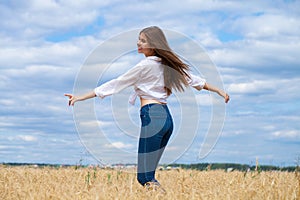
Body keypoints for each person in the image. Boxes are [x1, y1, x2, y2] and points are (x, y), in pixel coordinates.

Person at [65, 26, 229, 191]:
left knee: (144, 177)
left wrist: (81, 97)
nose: (138, 43)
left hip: (152, 117)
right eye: (139, 39)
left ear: (154, 44)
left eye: (143, 40)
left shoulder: (145, 65)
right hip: (167, 121)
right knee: (148, 175)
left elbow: (116, 83)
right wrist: (219, 90)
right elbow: (195, 80)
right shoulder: (167, 65)